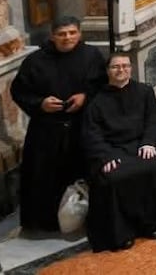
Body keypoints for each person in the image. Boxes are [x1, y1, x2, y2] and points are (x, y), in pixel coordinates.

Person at [10, 16, 106, 232]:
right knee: (44, 177)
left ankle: (88, 219)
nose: (67, 38)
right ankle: (47, 223)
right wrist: (40, 103)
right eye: (62, 34)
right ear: (52, 36)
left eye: (72, 33)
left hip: (82, 125)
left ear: (79, 34)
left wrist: (85, 97)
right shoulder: (35, 61)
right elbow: (19, 91)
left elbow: (102, 84)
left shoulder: (92, 56)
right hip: (47, 129)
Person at [82, 53, 156, 252]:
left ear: (131, 68)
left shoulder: (145, 91)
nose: (121, 70)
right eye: (116, 66)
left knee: (155, 166)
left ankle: (151, 225)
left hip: (140, 145)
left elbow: (153, 120)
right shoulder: (96, 101)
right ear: (107, 71)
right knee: (113, 176)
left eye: (125, 66)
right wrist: (105, 156)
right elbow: (91, 134)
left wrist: (148, 143)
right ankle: (122, 234)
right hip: (112, 150)